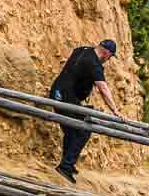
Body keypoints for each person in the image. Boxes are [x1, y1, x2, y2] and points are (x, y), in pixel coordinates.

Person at [48, 39, 120, 184]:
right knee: (83, 130)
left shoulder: (81, 50)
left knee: (71, 129)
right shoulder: (94, 65)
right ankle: (65, 166)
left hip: (58, 91)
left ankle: (67, 163)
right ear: (106, 52)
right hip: (66, 98)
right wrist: (115, 110)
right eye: (110, 56)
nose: (108, 60)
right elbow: (103, 89)